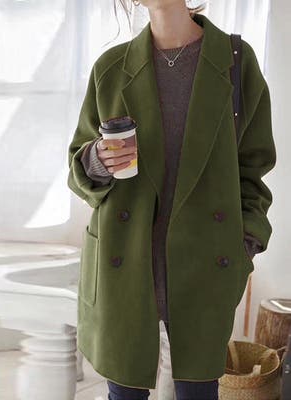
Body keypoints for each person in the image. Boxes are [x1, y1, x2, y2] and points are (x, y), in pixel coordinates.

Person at [67, 0, 276, 399]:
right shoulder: (111, 68)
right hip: (126, 258)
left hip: (205, 259)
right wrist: (98, 159)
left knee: (197, 390)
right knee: (124, 392)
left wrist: (244, 243)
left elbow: (254, 166)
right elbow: (79, 165)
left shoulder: (235, 61)